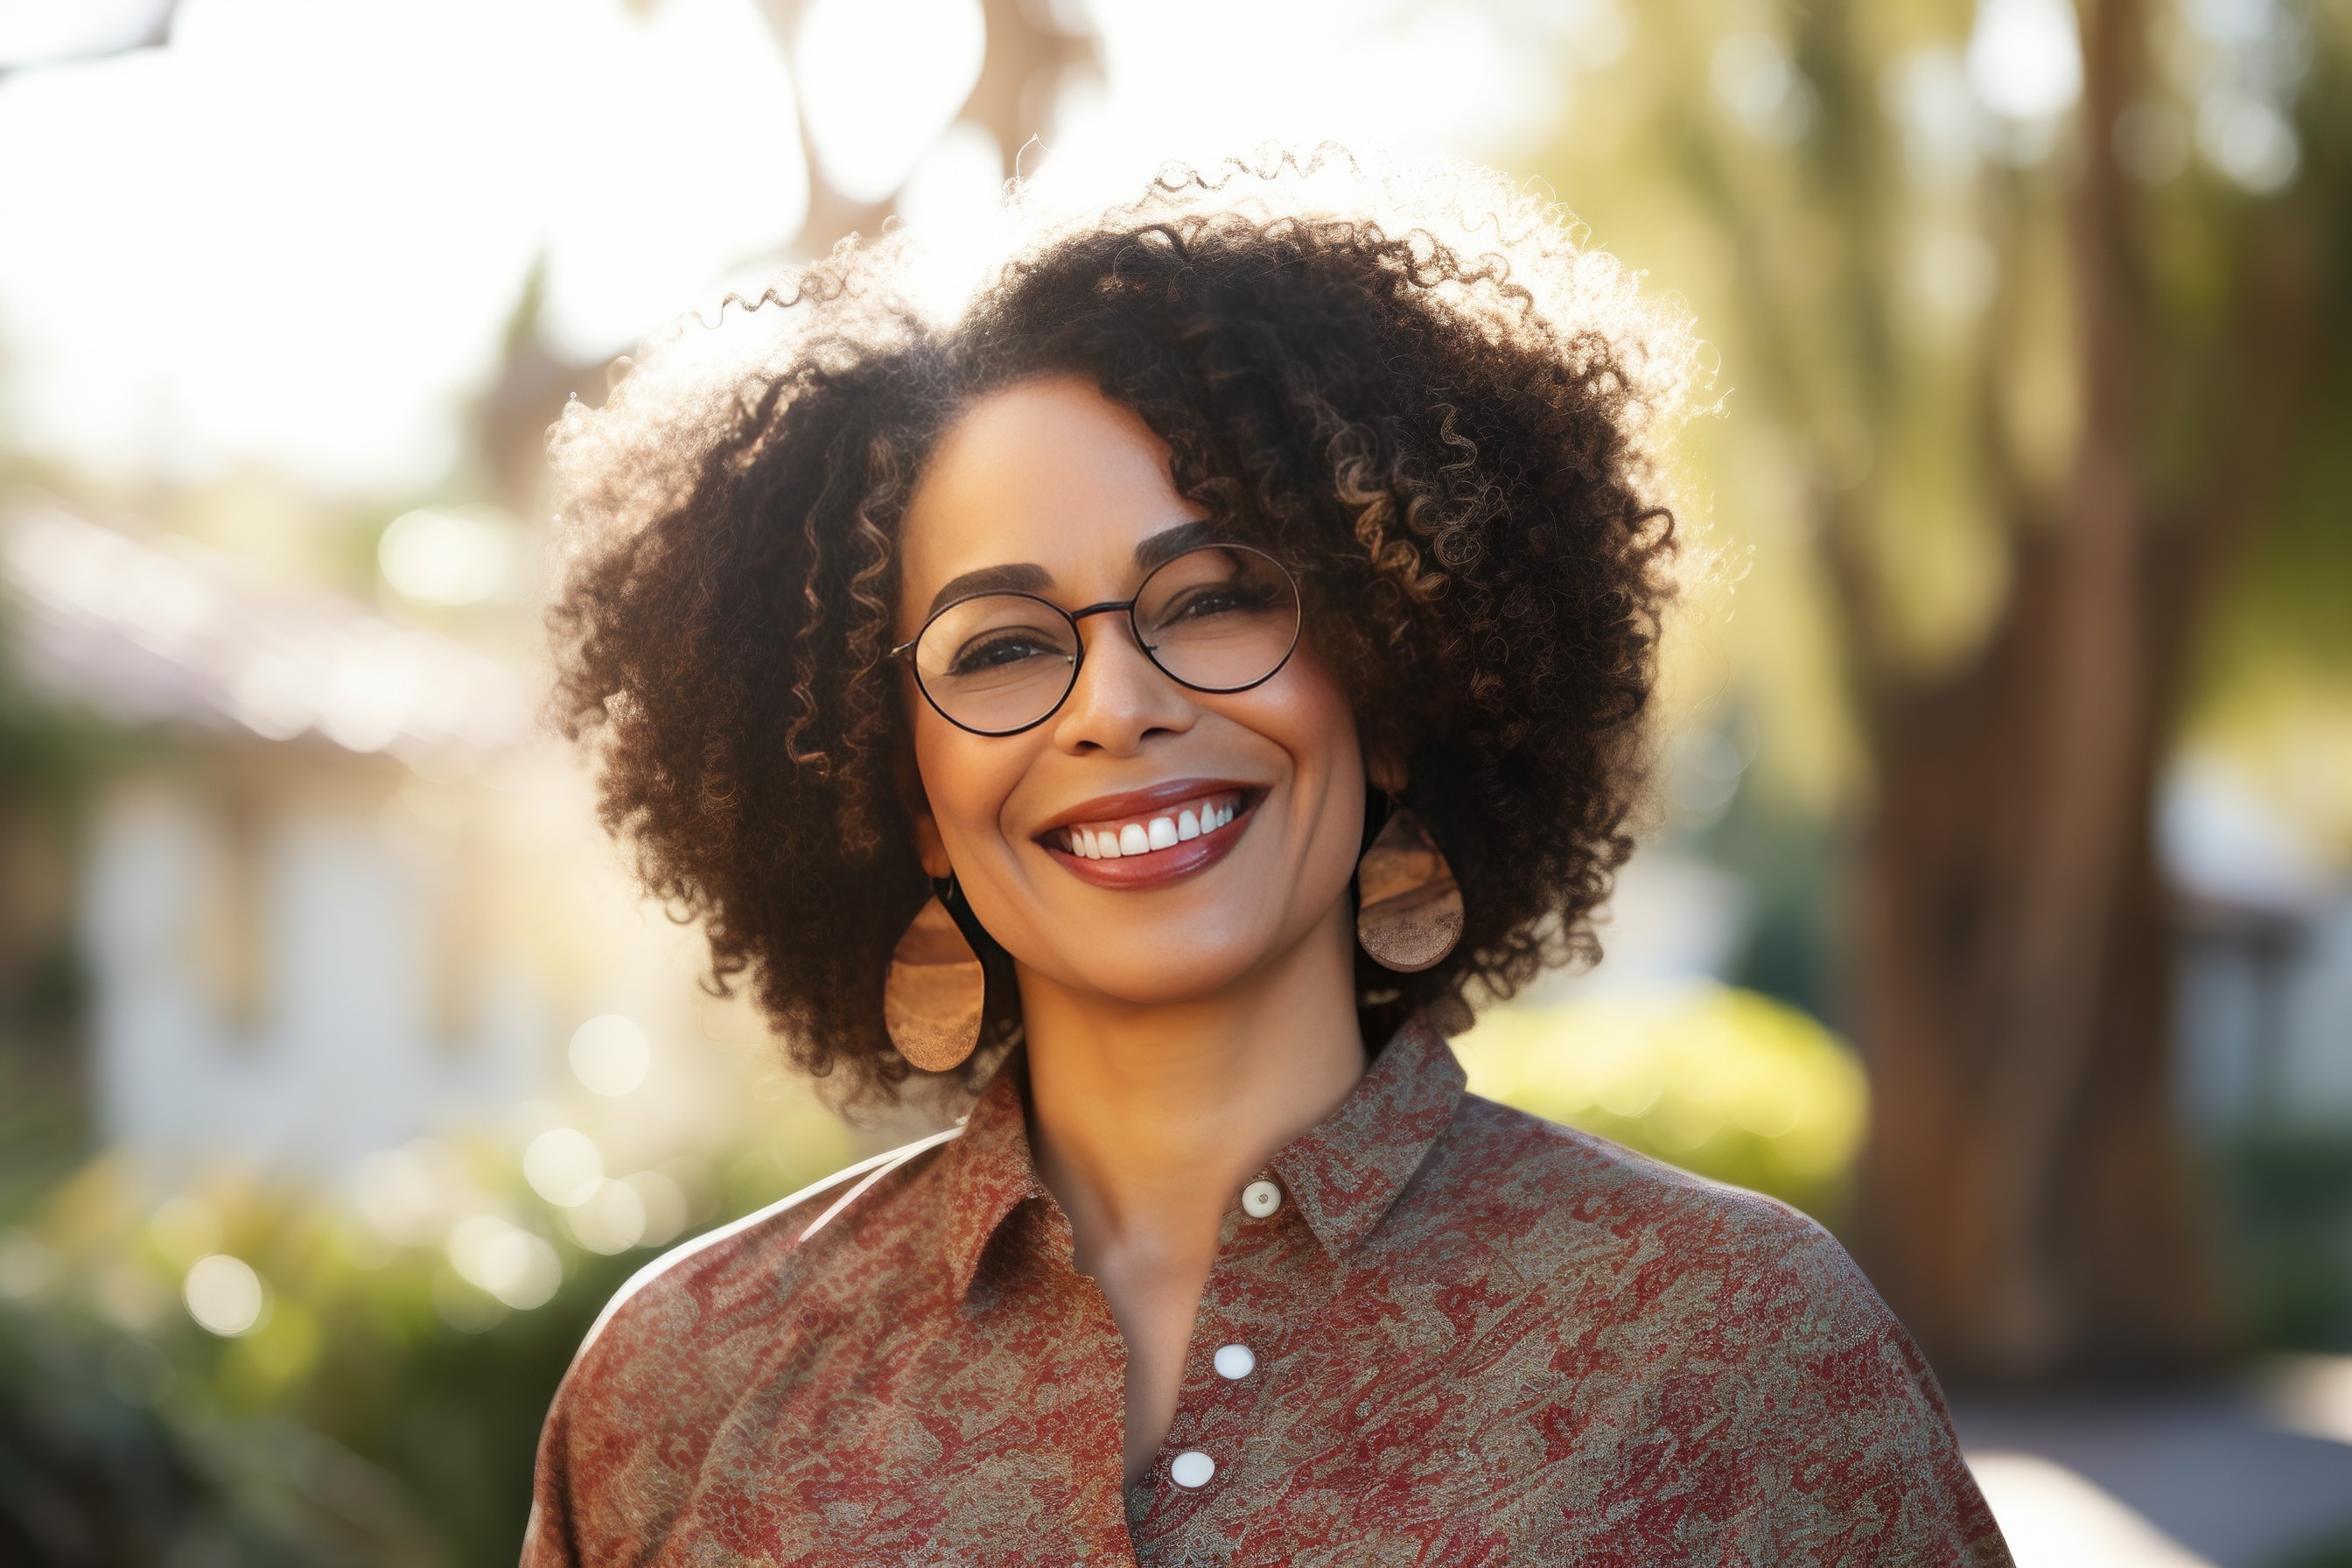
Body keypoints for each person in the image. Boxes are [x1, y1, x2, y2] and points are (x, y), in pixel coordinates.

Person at [524, 158, 2011, 1566]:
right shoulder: (682, 1388)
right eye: (1002, 646)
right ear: (903, 795)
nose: (1118, 704)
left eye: (1217, 596)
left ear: (1400, 682)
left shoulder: (1732, 1347)